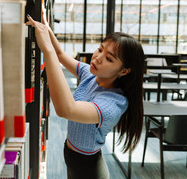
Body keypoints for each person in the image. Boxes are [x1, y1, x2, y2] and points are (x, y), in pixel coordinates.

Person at [26, 10, 145, 179]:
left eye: (109, 59)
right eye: (100, 49)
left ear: (124, 71)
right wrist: (46, 27)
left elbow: (67, 110)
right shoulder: (90, 74)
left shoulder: (114, 103)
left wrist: (47, 50)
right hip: (71, 155)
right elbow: (60, 55)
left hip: (89, 169)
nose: (97, 58)